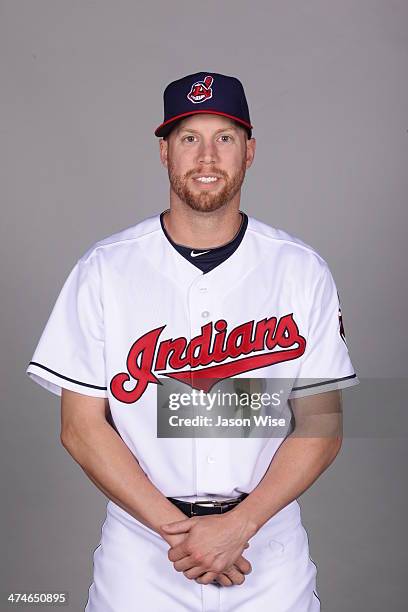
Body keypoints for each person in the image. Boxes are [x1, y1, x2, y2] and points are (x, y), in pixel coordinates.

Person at [26, 71, 359, 611]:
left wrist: (239, 525)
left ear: (249, 151)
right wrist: (179, 532)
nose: (207, 157)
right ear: (164, 153)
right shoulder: (105, 270)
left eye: (224, 137)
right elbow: (80, 427)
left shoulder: (299, 270)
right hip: (143, 549)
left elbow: (322, 423)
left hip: (266, 545)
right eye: (189, 138)